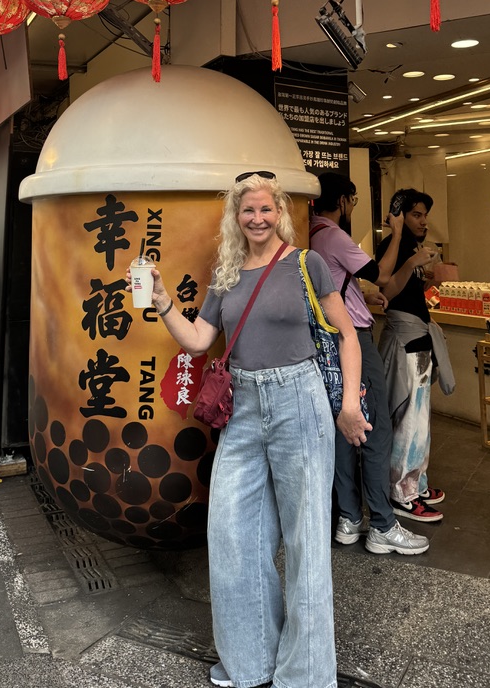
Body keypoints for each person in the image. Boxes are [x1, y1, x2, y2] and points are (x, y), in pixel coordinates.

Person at [135, 171, 370, 688]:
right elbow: (199, 342)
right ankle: (249, 660)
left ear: (279, 212)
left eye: (265, 209)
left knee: (306, 540)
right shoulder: (227, 274)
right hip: (242, 407)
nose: (257, 219)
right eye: (248, 211)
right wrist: (162, 299)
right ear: (236, 217)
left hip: (300, 402)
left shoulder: (306, 265)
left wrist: (348, 403)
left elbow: (348, 336)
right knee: (231, 535)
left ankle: (304, 674)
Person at [310, 171, 429, 556]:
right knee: (373, 427)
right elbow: (379, 274)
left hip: (324, 339)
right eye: (353, 200)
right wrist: (396, 234)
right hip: (353, 340)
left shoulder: (309, 233)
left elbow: (340, 283)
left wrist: (360, 296)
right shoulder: (333, 235)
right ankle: (382, 524)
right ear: (343, 200)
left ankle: (349, 517)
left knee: (343, 428)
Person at [375, 189, 455, 523]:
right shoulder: (394, 247)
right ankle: (401, 493)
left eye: (425, 215)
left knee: (420, 420)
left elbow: (408, 291)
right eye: (416, 214)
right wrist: (411, 262)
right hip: (405, 341)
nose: (423, 221)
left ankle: (416, 482)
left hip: (419, 339)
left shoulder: (415, 248)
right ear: (400, 215)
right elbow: (385, 289)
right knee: (408, 419)